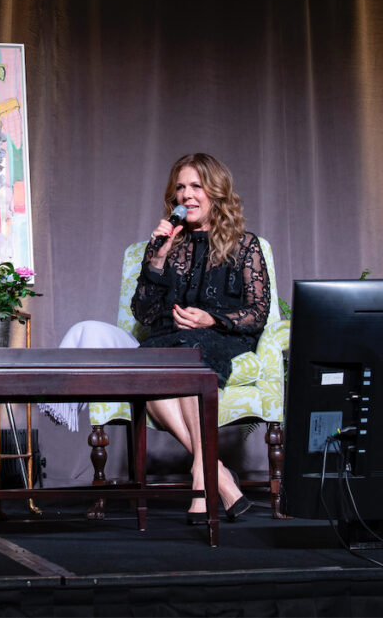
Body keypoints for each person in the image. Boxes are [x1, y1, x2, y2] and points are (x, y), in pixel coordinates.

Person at [57, 153, 269, 523]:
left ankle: (202, 483)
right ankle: (217, 476)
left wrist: (210, 317)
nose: (186, 195)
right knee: (155, 364)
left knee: (186, 357)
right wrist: (157, 260)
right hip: (168, 342)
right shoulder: (165, 246)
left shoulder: (245, 244)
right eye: (180, 188)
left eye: (196, 186)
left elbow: (257, 311)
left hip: (220, 336)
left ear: (215, 192)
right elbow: (144, 314)